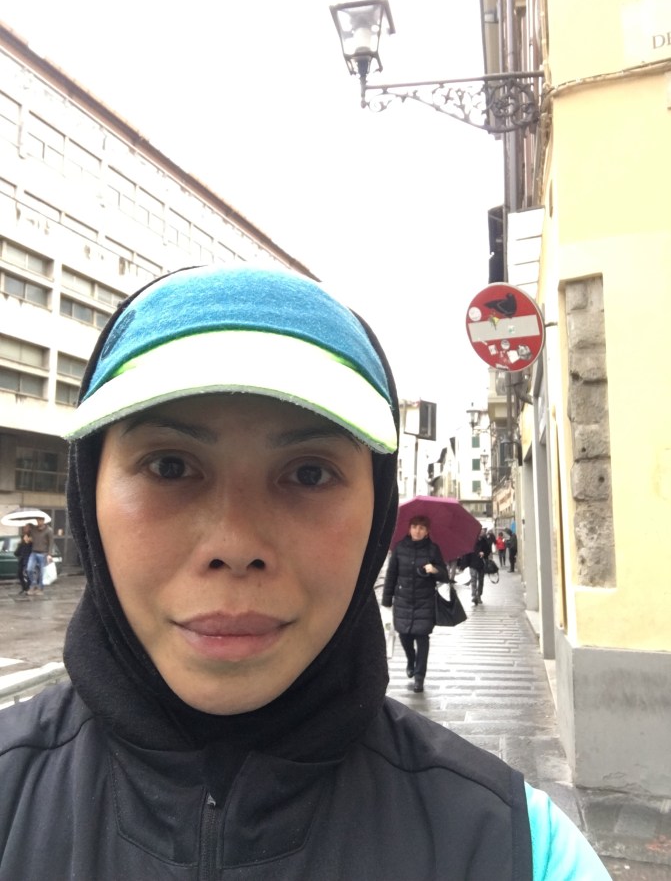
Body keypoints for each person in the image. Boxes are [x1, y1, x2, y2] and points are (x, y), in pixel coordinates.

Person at [0, 265, 610, 879]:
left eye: (309, 473)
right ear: (88, 492)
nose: (235, 546)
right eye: (169, 467)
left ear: (377, 510)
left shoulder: (515, 847)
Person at [381, 515, 447, 693]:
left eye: (421, 528)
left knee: (422, 638)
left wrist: (434, 570)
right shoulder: (399, 548)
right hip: (403, 600)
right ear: (409, 529)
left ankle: (419, 677)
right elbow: (391, 575)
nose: (417, 531)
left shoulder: (433, 549)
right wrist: (387, 600)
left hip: (425, 602)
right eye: (414, 527)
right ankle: (411, 660)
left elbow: (444, 575)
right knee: (404, 636)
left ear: (427, 532)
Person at [25, 514, 53, 596]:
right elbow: (28, 535)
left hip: (43, 553)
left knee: (42, 572)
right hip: (34, 552)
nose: (39, 522)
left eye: (40, 520)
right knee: (29, 569)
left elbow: (51, 543)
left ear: (43, 521)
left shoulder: (49, 530)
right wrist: (26, 536)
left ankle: (40, 588)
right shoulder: (33, 529)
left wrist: (49, 554)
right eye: (37, 520)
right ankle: (33, 584)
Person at [13, 525, 32, 594]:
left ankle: (28, 587)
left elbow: (33, 547)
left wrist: (28, 541)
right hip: (22, 558)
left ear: (29, 528)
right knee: (20, 573)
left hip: (29, 557)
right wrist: (21, 543)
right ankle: (24, 588)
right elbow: (18, 551)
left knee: (28, 572)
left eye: (26, 527)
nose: (25, 529)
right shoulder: (23, 537)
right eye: (24, 528)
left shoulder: (32, 537)